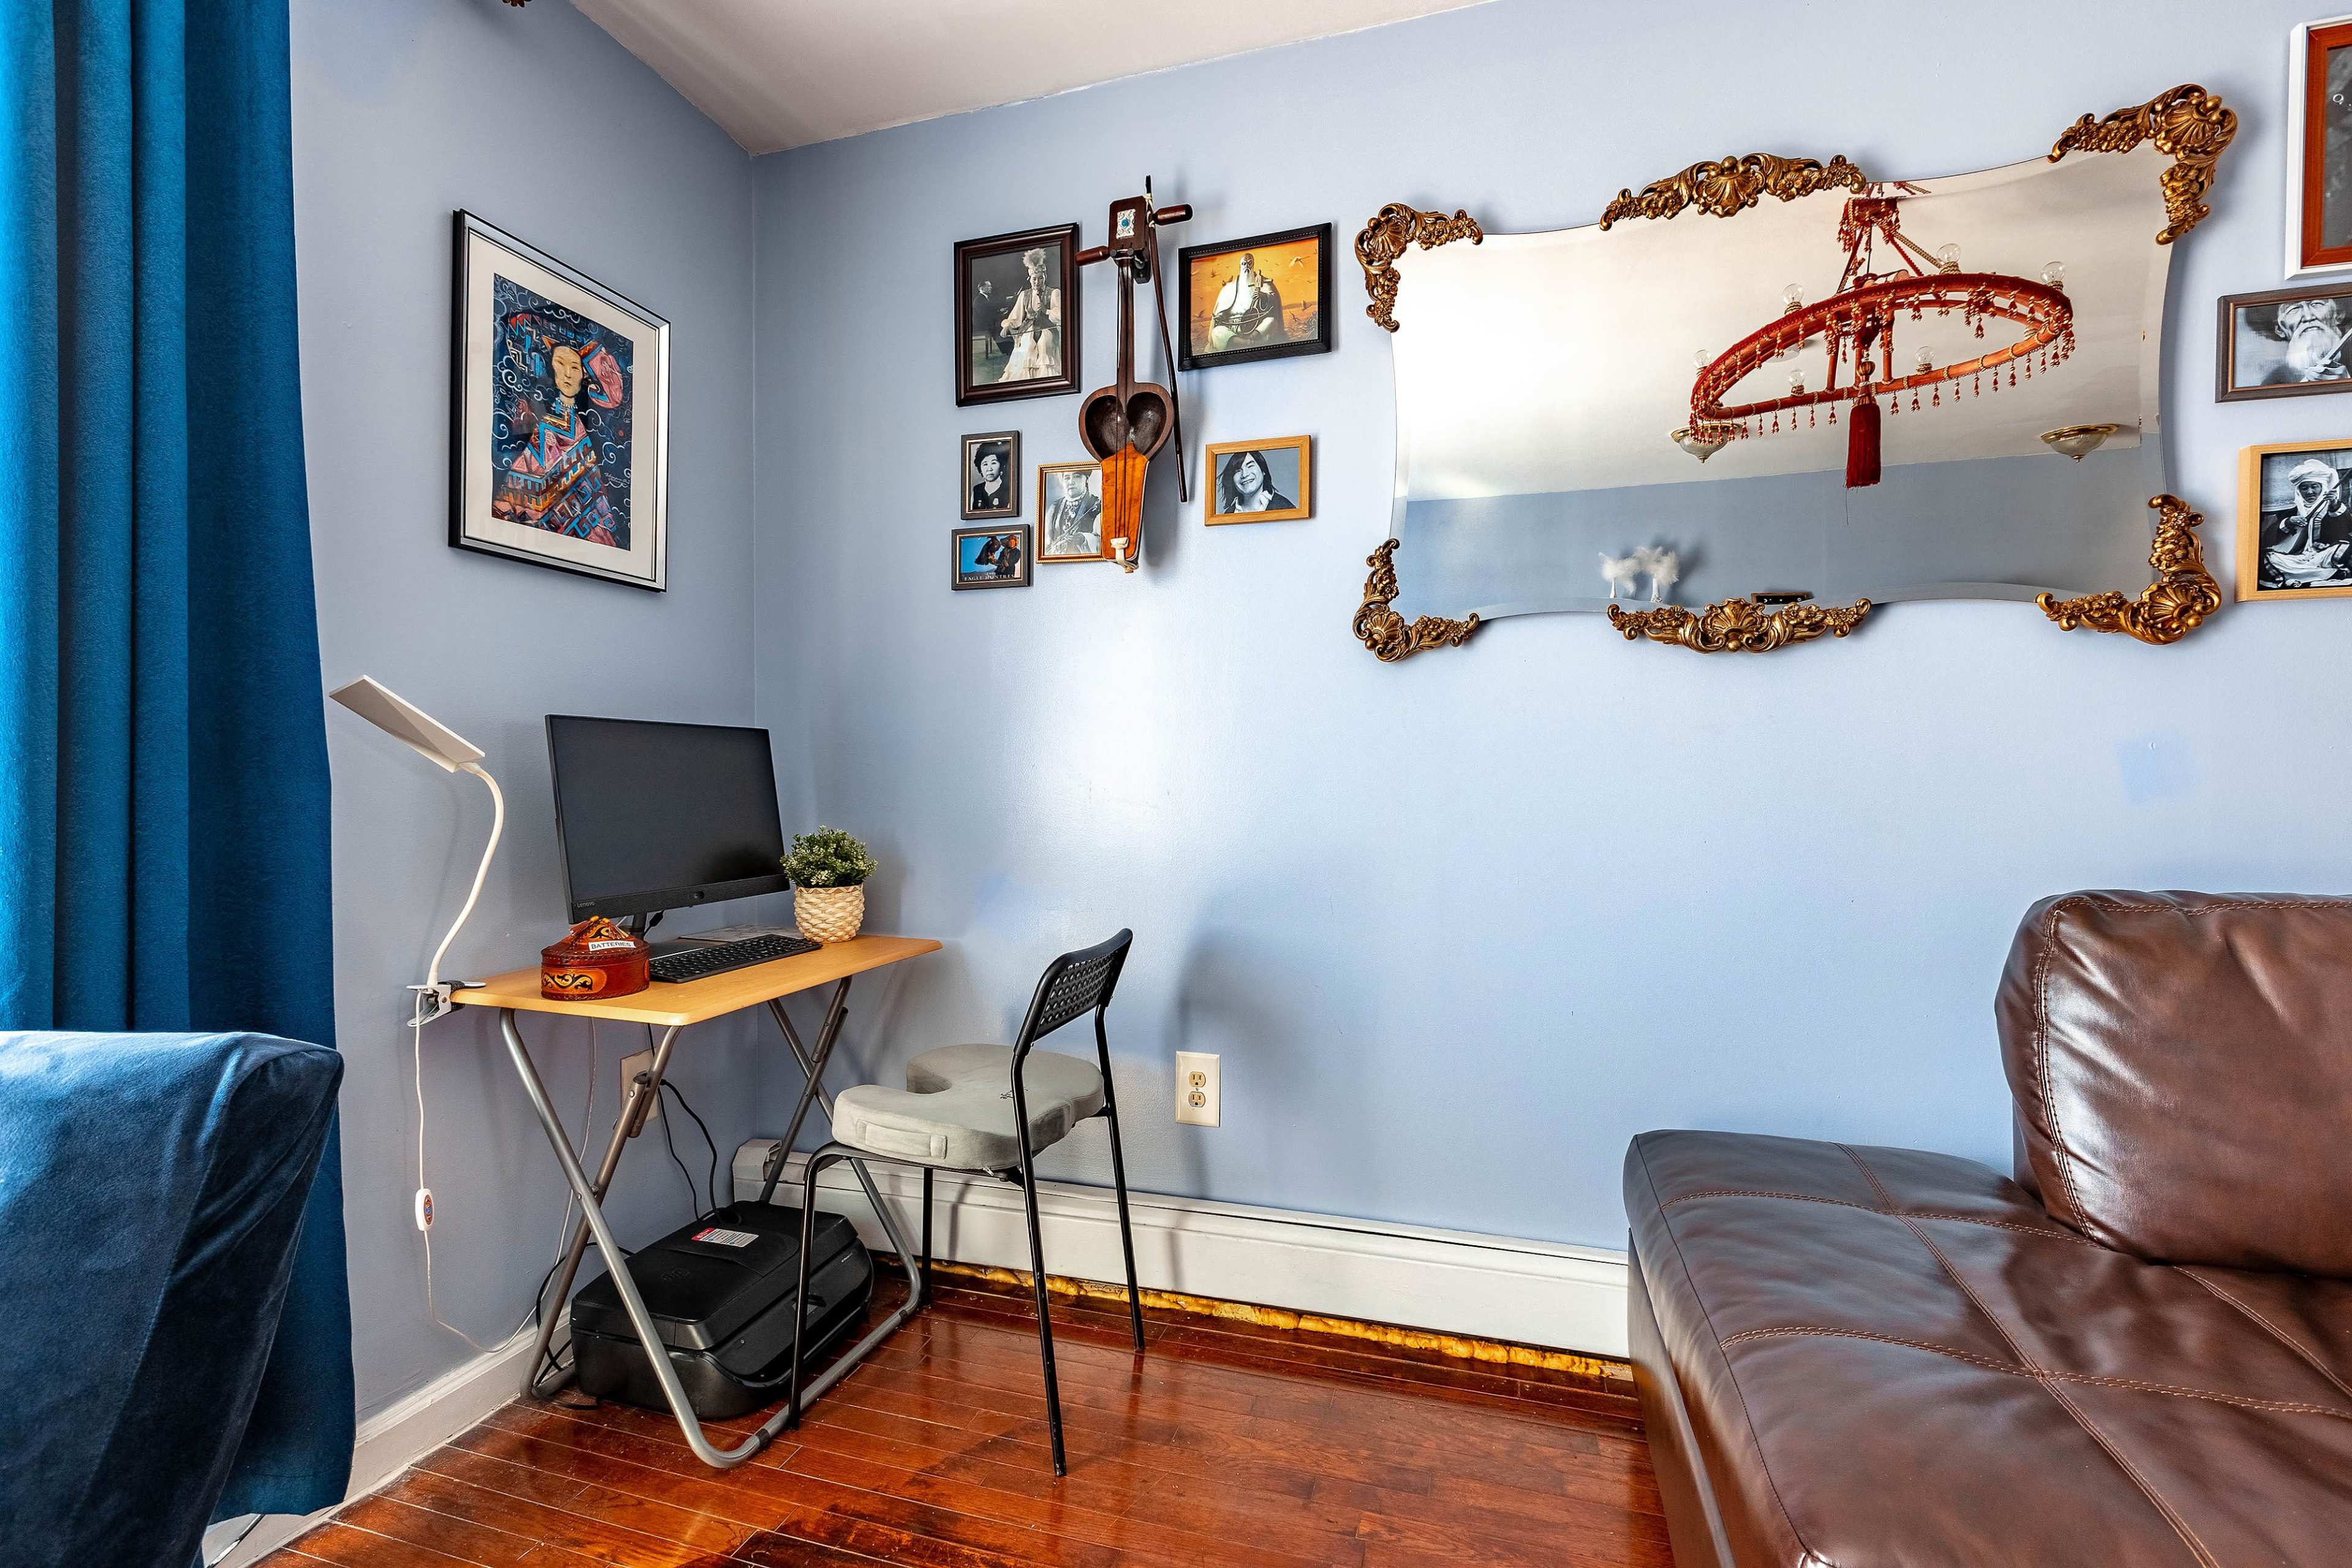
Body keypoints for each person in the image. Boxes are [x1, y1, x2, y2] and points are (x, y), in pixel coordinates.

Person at [492, 322, 627, 547]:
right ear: (551, 370)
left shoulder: (583, 428)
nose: (568, 374)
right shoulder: (547, 428)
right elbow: (523, 481)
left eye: (575, 367)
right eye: (560, 364)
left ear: (584, 374)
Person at [2261, 455, 2352, 588]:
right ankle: (2327, 575)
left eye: (2314, 487)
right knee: (2266, 556)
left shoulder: (2334, 507)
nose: (2310, 492)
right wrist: (2289, 522)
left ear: (2322, 487)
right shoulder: (2293, 510)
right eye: (2304, 488)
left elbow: (2345, 530)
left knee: (2345, 547)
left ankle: (2301, 577)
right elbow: (2271, 538)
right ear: (2299, 491)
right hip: (2297, 558)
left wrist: (2334, 505)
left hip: (2323, 556)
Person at [2245, 295, 2352, 385]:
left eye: (2317, 304)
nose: (2308, 317)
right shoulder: (2276, 381)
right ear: (2279, 329)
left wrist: (2346, 383)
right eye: (2293, 309)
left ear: (2338, 314)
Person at [996, 248, 1062, 382]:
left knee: (1044, 343)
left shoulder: (1054, 293)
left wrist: (1046, 311)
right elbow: (1016, 317)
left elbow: (1061, 315)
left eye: (1040, 279)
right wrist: (1007, 326)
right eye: (1034, 279)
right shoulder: (1024, 295)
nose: (1037, 282)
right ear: (1030, 279)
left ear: (1045, 278)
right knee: (1026, 344)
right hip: (1028, 329)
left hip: (1048, 328)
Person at [1208, 252, 1284, 352]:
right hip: (1234, 327)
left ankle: (1252, 339)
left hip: (1256, 326)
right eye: (1244, 264)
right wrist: (1220, 316)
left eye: (1250, 263)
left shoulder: (1264, 282)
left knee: (1271, 322)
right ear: (1240, 267)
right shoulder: (1228, 288)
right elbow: (1222, 311)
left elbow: (1274, 300)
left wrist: (1264, 296)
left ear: (1253, 265)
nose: (1247, 266)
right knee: (1217, 332)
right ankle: (1245, 343)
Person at [1216, 450, 1294, 515]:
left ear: (1263, 470)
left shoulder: (1285, 508)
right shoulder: (1229, 514)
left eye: (1250, 466)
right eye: (1238, 471)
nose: (1244, 475)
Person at [1044, 471, 1101, 556]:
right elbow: (1047, 543)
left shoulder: (1097, 505)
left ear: (1086, 480)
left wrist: (1084, 539)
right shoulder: (1055, 507)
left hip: (1086, 563)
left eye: (1077, 477)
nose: (1071, 482)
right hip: (1057, 564)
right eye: (1067, 478)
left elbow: (1105, 543)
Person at [969, 447, 1011, 512]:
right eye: (985, 464)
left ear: (1002, 466)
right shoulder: (977, 490)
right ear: (980, 469)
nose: (989, 469)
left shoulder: (1009, 489)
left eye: (993, 463)